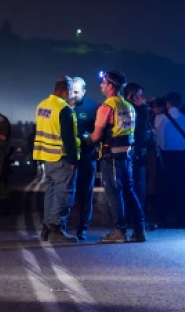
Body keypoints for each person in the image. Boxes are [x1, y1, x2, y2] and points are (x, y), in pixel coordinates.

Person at [91, 70, 146, 243]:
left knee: (114, 193)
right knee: (129, 191)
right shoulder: (128, 106)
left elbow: (96, 136)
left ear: (110, 86)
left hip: (111, 157)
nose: (101, 85)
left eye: (103, 82)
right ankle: (139, 230)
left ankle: (118, 231)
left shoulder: (107, 107)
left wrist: (84, 139)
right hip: (126, 155)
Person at [34, 77, 80, 242]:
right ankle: (57, 229)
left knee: (51, 192)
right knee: (64, 193)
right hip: (61, 157)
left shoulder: (41, 106)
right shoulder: (63, 108)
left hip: (47, 157)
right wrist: (74, 160)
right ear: (66, 90)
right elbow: (68, 138)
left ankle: (46, 228)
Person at [155, 92, 185, 226]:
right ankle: (182, 217)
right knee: (181, 187)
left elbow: (158, 136)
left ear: (167, 103)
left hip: (165, 155)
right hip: (182, 155)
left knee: (164, 186)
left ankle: (162, 216)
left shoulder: (159, 118)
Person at [69, 77, 99, 240]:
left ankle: (83, 227)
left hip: (87, 157)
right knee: (67, 193)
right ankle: (65, 225)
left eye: (76, 92)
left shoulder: (93, 107)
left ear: (84, 91)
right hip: (68, 158)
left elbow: (100, 131)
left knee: (85, 193)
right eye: (70, 91)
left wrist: (89, 140)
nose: (72, 95)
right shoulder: (64, 106)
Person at [125, 83, 154, 226]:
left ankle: (134, 218)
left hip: (134, 152)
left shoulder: (124, 107)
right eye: (140, 95)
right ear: (132, 96)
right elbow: (142, 129)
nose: (142, 98)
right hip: (134, 152)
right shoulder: (133, 110)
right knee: (137, 185)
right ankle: (136, 218)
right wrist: (143, 108)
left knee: (137, 185)